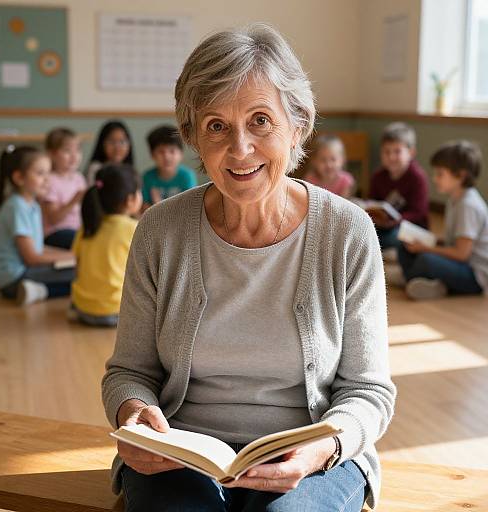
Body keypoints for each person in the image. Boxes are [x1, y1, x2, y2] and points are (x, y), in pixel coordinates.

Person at [102, 24, 395, 512]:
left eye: (261, 120)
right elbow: (129, 372)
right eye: (216, 126)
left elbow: (368, 391)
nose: (240, 149)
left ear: (297, 124)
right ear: (193, 135)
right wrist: (133, 412)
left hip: (312, 457)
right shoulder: (159, 230)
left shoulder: (348, 232)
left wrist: (326, 446)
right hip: (181, 452)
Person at [398, 140, 488, 300]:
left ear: (461, 175)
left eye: (440, 174)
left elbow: (462, 254)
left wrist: (426, 248)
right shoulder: (455, 200)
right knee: (404, 245)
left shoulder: (468, 205)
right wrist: (430, 241)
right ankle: (429, 283)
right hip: (461, 265)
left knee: (426, 259)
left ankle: (413, 280)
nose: (434, 178)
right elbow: (455, 241)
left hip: (475, 277)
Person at [0, 146, 75, 306]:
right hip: (14, 279)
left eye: (48, 173)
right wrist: (74, 257)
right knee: (79, 273)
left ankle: (36, 291)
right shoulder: (17, 207)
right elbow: (32, 258)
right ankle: (39, 290)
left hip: (17, 276)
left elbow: (37, 248)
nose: (47, 179)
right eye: (40, 173)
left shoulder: (31, 205)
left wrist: (69, 255)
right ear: (19, 178)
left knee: (77, 271)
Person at [69, 165, 142, 327]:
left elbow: (77, 267)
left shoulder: (87, 227)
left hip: (84, 309)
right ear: (130, 199)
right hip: (117, 312)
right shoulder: (134, 228)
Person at [369, 122, 429, 250]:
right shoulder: (377, 176)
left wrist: (396, 221)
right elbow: (372, 203)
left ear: (411, 153)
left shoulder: (417, 178)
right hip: (384, 226)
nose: (391, 157)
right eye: (386, 152)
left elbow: (419, 212)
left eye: (397, 151)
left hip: (412, 227)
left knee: (393, 237)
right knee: (364, 233)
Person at [42, 127, 87, 250]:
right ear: (51, 154)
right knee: (84, 242)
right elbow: (54, 219)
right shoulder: (49, 181)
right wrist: (75, 200)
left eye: (77, 151)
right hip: (54, 233)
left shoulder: (79, 178)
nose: (74, 156)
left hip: (77, 230)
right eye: (67, 151)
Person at [142, 125, 197, 208]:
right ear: (152, 155)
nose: (166, 157)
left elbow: (190, 205)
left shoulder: (187, 176)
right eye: (161, 152)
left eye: (172, 151)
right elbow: (144, 207)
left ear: (181, 154)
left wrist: (159, 204)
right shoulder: (147, 177)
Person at [86, 120, 134, 185]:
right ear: (102, 144)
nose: (117, 147)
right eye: (111, 141)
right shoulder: (96, 169)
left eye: (122, 142)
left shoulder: (130, 170)